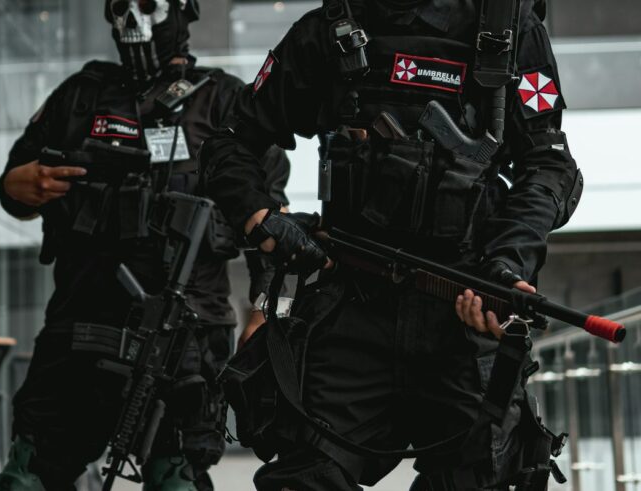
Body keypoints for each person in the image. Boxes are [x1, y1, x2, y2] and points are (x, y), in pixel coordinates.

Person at [201, 0, 582, 489]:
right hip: (350, 305)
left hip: (463, 312)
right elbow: (231, 141)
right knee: (304, 478)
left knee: (479, 477)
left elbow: (550, 165)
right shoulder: (329, 29)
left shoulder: (507, 27)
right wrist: (261, 220)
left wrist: (507, 267)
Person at [0, 0, 290, 489]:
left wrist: (266, 313)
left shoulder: (224, 102)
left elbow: (272, 224)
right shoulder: (80, 96)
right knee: (27, 477)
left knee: (176, 478)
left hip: (185, 334)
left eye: (149, 5)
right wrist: (15, 187)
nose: (131, 19)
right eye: (119, 6)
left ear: (182, 11)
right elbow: (17, 186)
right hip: (80, 325)